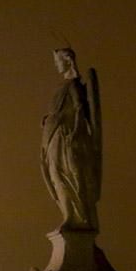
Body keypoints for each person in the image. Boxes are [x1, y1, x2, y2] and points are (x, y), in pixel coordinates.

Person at [40, 47, 102, 232]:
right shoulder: (63, 86)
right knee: (55, 175)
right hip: (54, 136)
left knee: (65, 174)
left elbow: (79, 109)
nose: (57, 65)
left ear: (67, 61)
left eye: (58, 61)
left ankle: (76, 216)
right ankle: (69, 215)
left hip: (65, 138)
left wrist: (75, 131)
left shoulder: (73, 85)